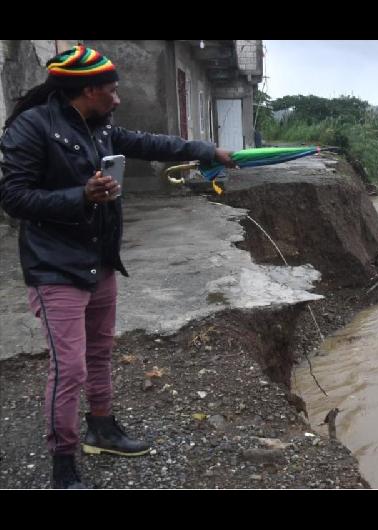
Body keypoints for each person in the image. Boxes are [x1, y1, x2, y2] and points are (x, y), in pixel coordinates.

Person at [0, 44, 236, 489]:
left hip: (99, 259)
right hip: (55, 266)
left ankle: (102, 428)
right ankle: (63, 466)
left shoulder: (100, 126)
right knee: (69, 369)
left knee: (99, 351)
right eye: (112, 90)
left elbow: (150, 143)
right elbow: (13, 198)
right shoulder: (31, 127)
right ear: (88, 90)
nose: (118, 98)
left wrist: (207, 150)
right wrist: (81, 195)